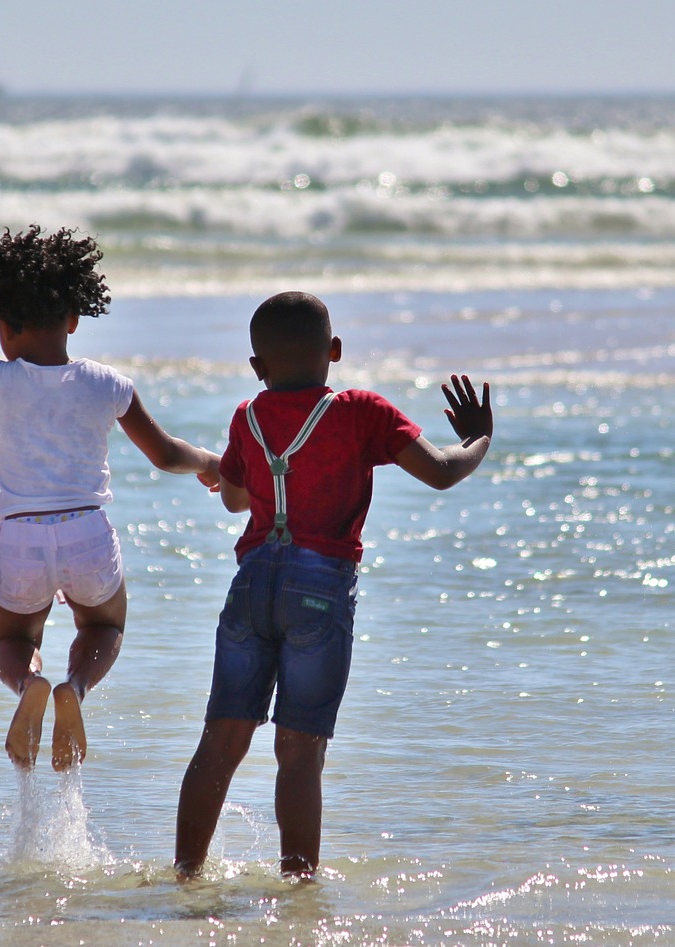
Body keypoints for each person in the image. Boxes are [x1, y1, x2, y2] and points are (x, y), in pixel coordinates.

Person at [174, 291, 493, 879]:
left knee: (220, 742)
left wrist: (231, 478)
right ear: (335, 351)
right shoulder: (359, 410)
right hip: (319, 589)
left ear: (257, 366)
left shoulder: (246, 417)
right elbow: (443, 473)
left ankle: (185, 876)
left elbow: (237, 500)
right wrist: (479, 441)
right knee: (299, 752)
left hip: (252, 585)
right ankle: (297, 890)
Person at [0, 224, 221, 772]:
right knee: (103, 626)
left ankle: (30, 684)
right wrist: (209, 464)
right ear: (74, 319)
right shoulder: (107, 383)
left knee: (10, 636)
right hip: (87, 531)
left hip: (21, 534)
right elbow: (164, 453)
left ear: (4, 327)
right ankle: (76, 685)